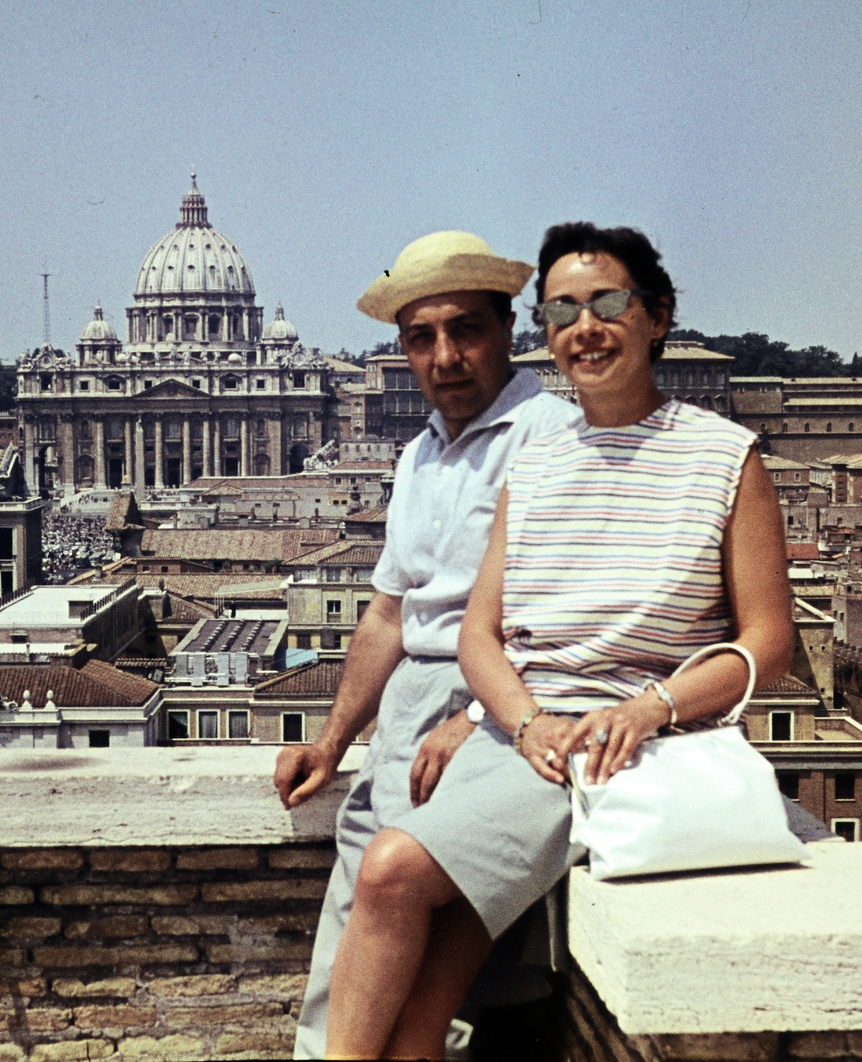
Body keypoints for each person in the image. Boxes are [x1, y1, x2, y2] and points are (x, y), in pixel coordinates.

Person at [320, 222, 796, 1059]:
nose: (586, 326)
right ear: (544, 331)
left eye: (609, 303)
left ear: (657, 316)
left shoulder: (729, 456)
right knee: (418, 1029)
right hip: (533, 742)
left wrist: (652, 708)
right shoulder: (535, 460)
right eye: (564, 310)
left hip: (646, 741)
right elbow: (481, 631)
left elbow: (769, 642)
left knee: (393, 870)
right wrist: (522, 721)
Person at [274, 230, 577, 1060]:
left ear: (508, 328)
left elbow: (564, 608)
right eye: (421, 337)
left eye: (465, 329)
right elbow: (384, 615)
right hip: (409, 710)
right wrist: (333, 739)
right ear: (401, 349)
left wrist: (483, 715)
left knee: (422, 985)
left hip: (494, 707)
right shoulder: (416, 455)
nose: (444, 356)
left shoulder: (552, 435)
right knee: (357, 936)